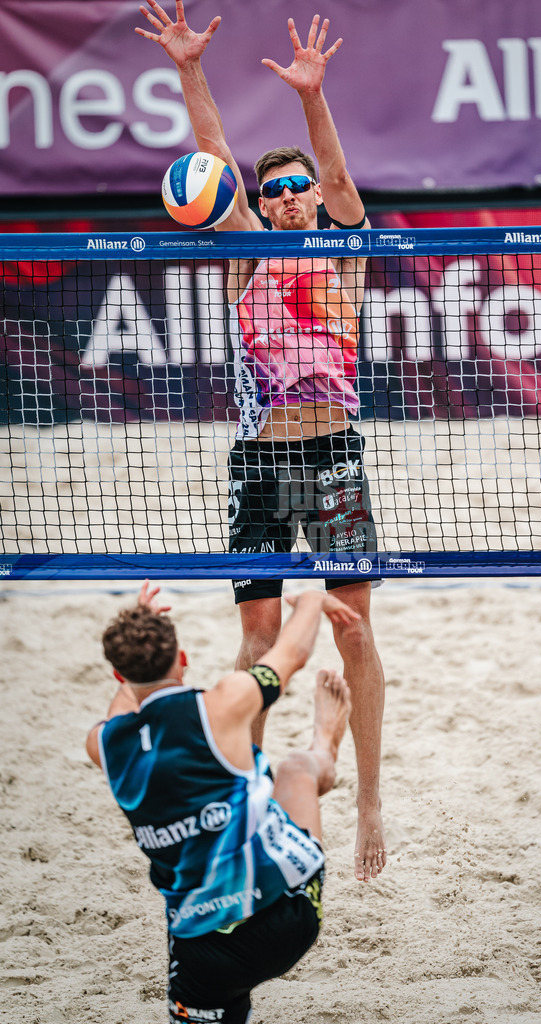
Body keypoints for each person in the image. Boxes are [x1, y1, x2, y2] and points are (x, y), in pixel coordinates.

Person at [136, 1, 386, 881]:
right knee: (258, 638)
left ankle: (366, 798)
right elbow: (214, 166)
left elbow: (340, 170)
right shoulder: (245, 250)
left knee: (353, 633)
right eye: (271, 188)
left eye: (296, 186)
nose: (284, 196)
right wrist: (190, 70)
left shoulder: (345, 244)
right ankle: (239, 791)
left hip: (334, 455)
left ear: (315, 194)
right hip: (259, 463)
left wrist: (312, 98)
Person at [86, 580, 355, 1024]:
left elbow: (121, 711)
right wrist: (309, 603)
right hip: (287, 913)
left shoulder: (102, 745)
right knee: (296, 771)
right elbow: (291, 654)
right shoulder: (222, 704)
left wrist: (134, 632)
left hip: (203, 947)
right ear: (184, 660)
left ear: (119, 675)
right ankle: (323, 743)